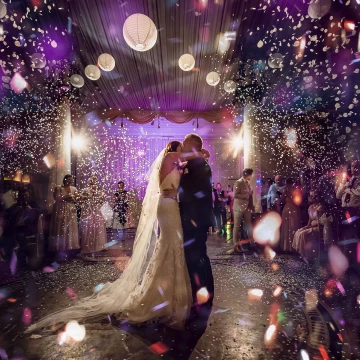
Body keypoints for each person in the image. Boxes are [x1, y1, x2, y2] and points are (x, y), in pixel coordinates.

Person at [25, 139, 210, 333]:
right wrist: (200, 153)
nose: (182, 150)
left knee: (169, 245)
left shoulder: (174, 162)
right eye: (181, 147)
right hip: (167, 207)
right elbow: (189, 158)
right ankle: (162, 296)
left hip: (171, 207)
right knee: (170, 244)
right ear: (174, 148)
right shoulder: (171, 156)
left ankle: (165, 294)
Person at [178, 134, 214, 313]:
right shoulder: (199, 162)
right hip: (200, 217)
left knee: (194, 258)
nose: (183, 147)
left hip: (194, 219)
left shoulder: (196, 164)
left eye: (185, 144)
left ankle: (200, 298)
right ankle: (207, 293)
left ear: (192, 145)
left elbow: (188, 193)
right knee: (201, 255)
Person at [1, 188, 39, 265]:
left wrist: (31, 209)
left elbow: (43, 210)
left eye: (26, 195)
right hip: (15, 228)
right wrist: (16, 211)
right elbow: (7, 215)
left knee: (20, 237)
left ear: (28, 196)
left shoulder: (32, 203)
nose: (24, 197)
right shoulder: (15, 205)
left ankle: (22, 260)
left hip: (27, 228)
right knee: (5, 237)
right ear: (19, 197)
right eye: (22, 195)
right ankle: (8, 257)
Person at [48, 175, 80, 252]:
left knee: (70, 226)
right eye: (69, 180)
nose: (70, 181)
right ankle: (60, 246)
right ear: (65, 180)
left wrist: (79, 197)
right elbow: (57, 198)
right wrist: (66, 196)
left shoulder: (74, 189)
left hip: (70, 208)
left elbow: (77, 198)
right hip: (61, 208)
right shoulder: (59, 188)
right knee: (61, 225)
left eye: (71, 180)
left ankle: (70, 245)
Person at [336, 160, 360, 262]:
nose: (353, 169)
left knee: (353, 236)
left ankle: (353, 261)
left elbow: (358, 193)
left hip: (354, 211)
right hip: (344, 210)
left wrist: (347, 189)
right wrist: (342, 185)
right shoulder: (350, 180)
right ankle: (345, 260)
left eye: (356, 167)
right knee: (343, 236)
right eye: (352, 167)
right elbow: (338, 195)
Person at [292, 191, 326, 259]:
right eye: (311, 196)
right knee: (298, 232)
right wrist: (307, 226)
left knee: (303, 234)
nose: (312, 198)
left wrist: (312, 225)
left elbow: (321, 220)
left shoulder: (320, 207)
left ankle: (306, 254)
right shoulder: (310, 207)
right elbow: (310, 220)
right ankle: (299, 252)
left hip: (318, 228)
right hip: (311, 226)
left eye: (313, 196)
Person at [80, 176, 107, 254]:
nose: (93, 182)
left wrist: (100, 200)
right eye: (92, 181)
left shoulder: (99, 191)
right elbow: (81, 199)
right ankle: (88, 246)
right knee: (89, 228)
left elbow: (102, 202)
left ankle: (98, 245)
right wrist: (87, 199)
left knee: (97, 227)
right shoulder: (85, 190)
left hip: (97, 211)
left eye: (95, 181)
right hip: (88, 211)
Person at [233, 168, 255, 249]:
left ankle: (252, 242)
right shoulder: (238, 182)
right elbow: (235, 195)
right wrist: (247, 195)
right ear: (247, 174)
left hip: (247, 208)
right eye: (251, 174)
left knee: (249, 226)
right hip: (239, 207)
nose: (252, 176)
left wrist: (252, 206)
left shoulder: (248, 183)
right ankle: (236, 245)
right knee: (237, 226)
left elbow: (250, 196)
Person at [280, 178, 301, 252]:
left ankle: (289, 246)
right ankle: (292, 246)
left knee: (290, 226)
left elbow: (281, 200)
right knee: (291, 226)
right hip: (291, 209)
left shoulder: (290, 190)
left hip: (289, 208)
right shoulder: (295, 190)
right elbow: (298, 201)